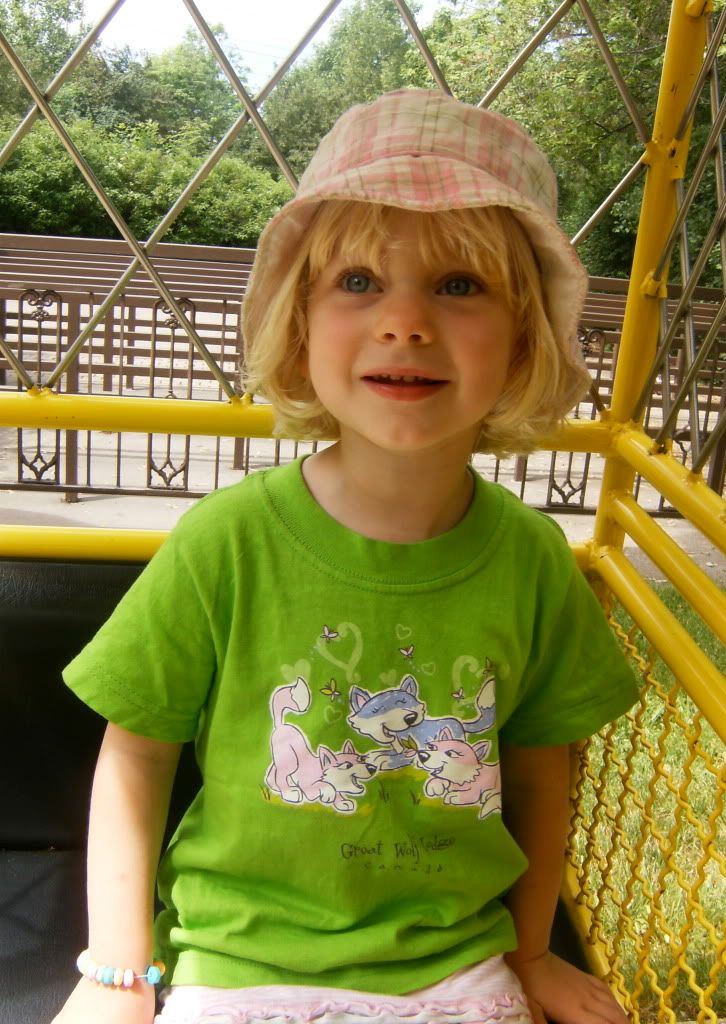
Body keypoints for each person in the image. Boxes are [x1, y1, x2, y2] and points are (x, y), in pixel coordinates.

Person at [53, 89, 638, 1024]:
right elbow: (135, 755)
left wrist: (530, 953)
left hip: (453, 956)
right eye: (359, 282)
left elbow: (538, 768)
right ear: (299, 323)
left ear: (525, 335)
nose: (404, 322)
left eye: (458, 285)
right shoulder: (226, 541)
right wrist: (116, 972)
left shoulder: (531, 559)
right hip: (243, 956)